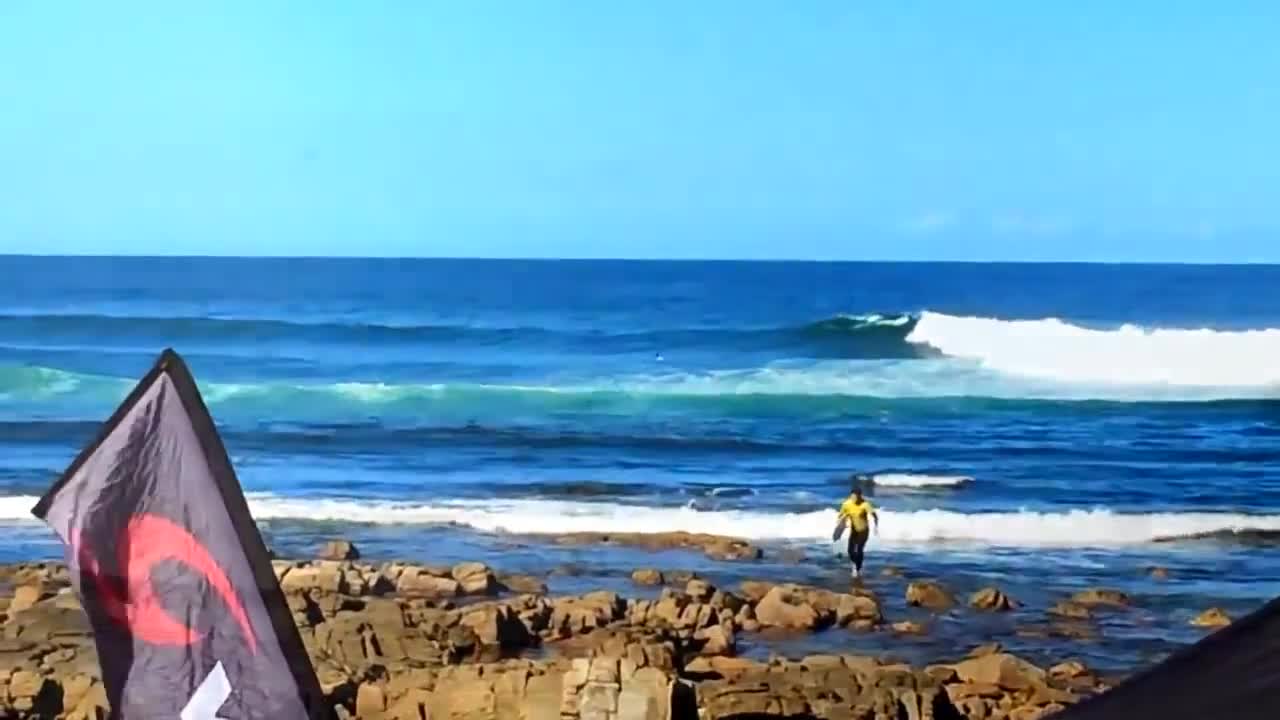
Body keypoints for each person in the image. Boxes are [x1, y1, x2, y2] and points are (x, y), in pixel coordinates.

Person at [833, 477, 879, 579]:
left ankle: (857, 568)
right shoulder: (846, 504)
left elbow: (874, 515)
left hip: (864, 531)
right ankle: (855, 564)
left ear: (860, 496)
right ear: (850, 496)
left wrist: (876, 526)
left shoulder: (865, 504)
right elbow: (841, 514)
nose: (854, 499)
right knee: (850, 551)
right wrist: (841, 523)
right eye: (852, 496)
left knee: (859, 550)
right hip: (854, 531)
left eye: (856, 497)